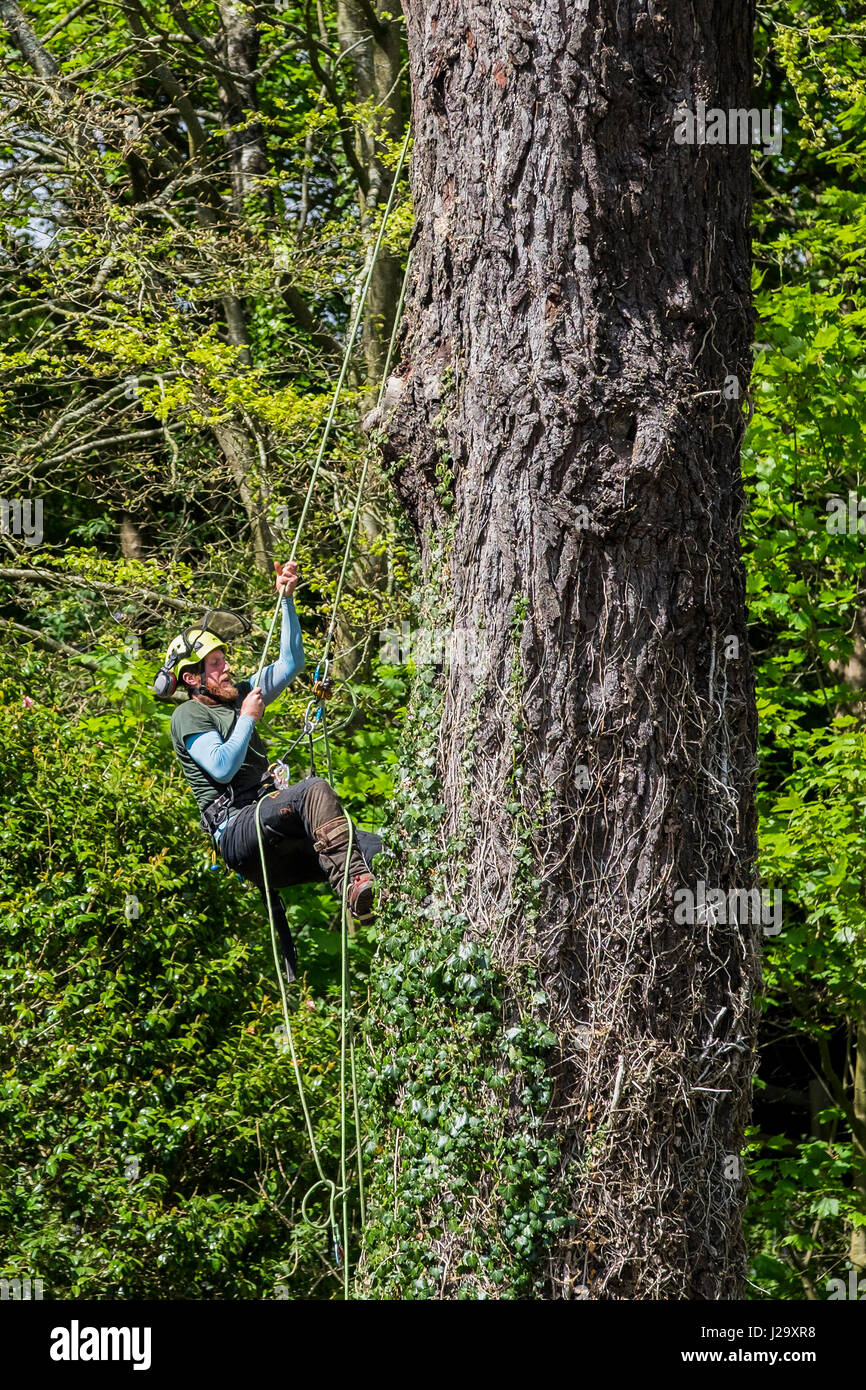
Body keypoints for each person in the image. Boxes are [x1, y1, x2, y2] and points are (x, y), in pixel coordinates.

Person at [166, 561, 380, 979]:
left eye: (225, 659)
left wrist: (287, 601)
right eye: (215, 664)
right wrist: (247, 718)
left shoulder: (240, 692)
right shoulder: (188, 715)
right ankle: (353, 884)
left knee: (374, 847)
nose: (226, 668)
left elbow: (291, 661)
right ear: (191, 677)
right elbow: (223, 768)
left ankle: (382, 896)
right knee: (314, 789)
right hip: (238, 832)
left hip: (277, 841)